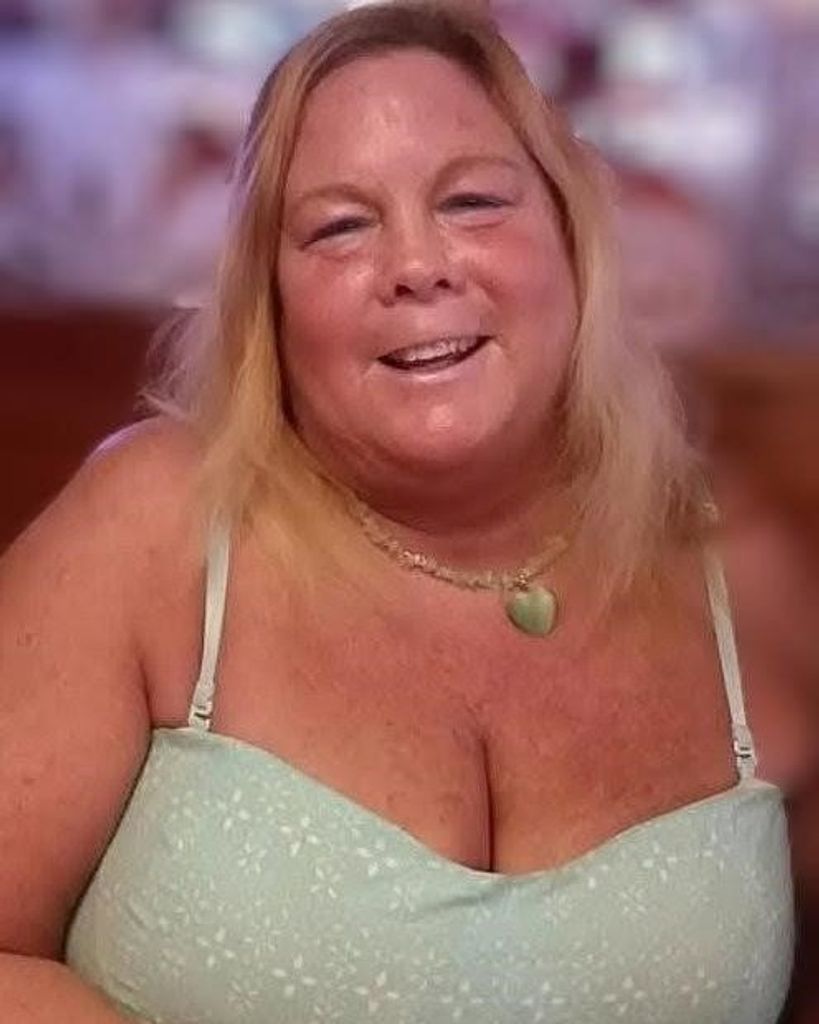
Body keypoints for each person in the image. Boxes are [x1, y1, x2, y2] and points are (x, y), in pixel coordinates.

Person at [0, 3, 814, 1022]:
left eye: (472, 202)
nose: (417, 266)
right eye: (340, 226)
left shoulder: (734, 562)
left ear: (573, 236)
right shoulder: (157, 521)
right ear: (269, 299)